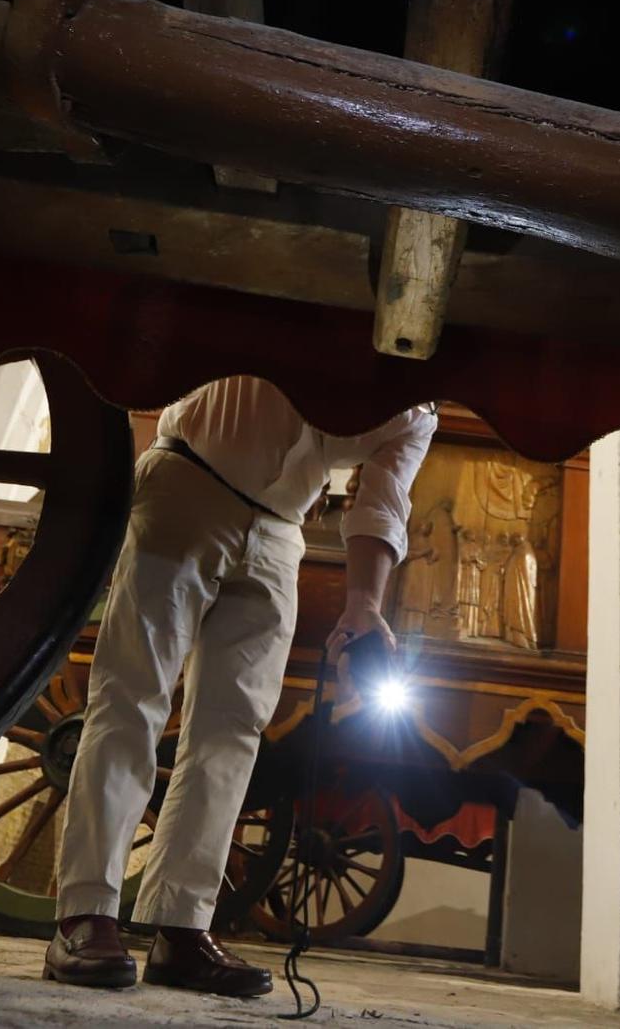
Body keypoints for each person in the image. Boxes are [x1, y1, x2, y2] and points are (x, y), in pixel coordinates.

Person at [44, 377, 436, 994]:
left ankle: (181, 926)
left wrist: (365, 605)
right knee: (133, 699)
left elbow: (382, 502)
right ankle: (85, 914)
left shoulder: (415, 407)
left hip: (281, 532)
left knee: (232, 733)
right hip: (186, 485)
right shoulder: (309, 307)